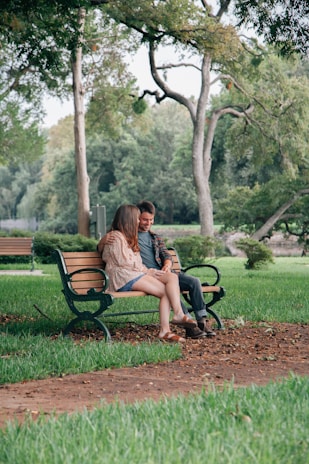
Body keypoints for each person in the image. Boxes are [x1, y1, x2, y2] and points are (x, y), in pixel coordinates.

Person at [99, 204, 197, 343]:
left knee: (170, 279)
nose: (139, 221)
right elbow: (123, 262)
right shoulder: (116, 236)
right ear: (129, 219)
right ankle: (177, 317)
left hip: (133, 274)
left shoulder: (129, 237)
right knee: (165, 289)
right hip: (122, 277)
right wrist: (148, 271)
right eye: (137, 218)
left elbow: (136, 262)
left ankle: (168, 327)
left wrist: (148, 271)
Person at [136, 200, 216, 339]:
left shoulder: (154, 237)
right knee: (172, 289)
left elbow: (166, 254)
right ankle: (190, 326)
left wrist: (167, 264)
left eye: (151, 219)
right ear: (137, 218)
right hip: (149, 276)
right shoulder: (130, 237)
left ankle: (201, 321)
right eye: (144, 220)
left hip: (166, 273)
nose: (148, 223)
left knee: (194, 282)